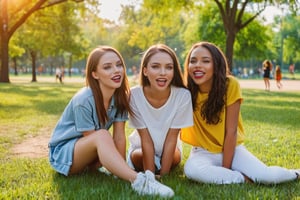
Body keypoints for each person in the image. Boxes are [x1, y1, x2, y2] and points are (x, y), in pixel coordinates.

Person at [48, 46, 174, 197]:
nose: (116, 70)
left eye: (119, 65)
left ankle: (129, 175)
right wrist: (123, 171)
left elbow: (119, 136)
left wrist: (119, 171)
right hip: (65, 154)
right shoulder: (84, 100)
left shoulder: (120, 98)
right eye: (107, 67)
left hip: (91, 154)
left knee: (104, 137)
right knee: (102, 135)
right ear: (95, 74)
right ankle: (141, 181)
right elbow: (91, 138)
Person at [181, 41, 299, 184]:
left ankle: (294, 173)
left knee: (268, 177)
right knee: (191, 170)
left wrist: (225, 170)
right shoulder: (186, 91)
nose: (197, 65)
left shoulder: (230, 85)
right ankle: (243, 179)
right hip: (202, 152)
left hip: (232, 149)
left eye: (205, 61)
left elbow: (231, 132)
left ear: (216, 65)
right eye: (193, 61)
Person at [127, 44, 193, 178]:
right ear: (145, 71)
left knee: (173, 159)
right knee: (138, 157)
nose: (163, 72)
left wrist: (163, 175)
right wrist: (150, 175)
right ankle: (153, 167)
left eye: (169, 67)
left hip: (170, 149)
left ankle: (159, 166)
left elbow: (172, 137)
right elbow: (145, 139)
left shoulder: (183, 96)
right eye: (155, 66)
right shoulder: (133, 95)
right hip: (141, 148)